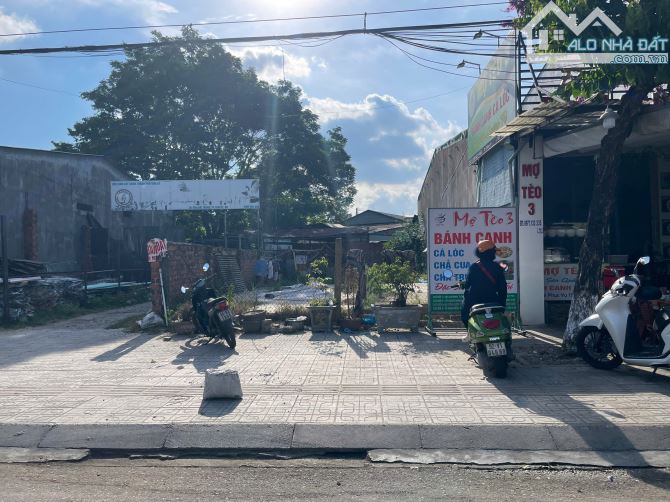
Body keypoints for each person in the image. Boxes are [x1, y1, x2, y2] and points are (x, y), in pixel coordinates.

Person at [461, 239, 508, 327]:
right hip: (492, 300)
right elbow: (502, 288)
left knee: (465, 314)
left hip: (474, 301)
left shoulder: (473, 267)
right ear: (491, 252)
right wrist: (502, 305)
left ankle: (469, 330)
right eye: (494, 251)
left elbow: (467, 285)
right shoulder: (497, 267)